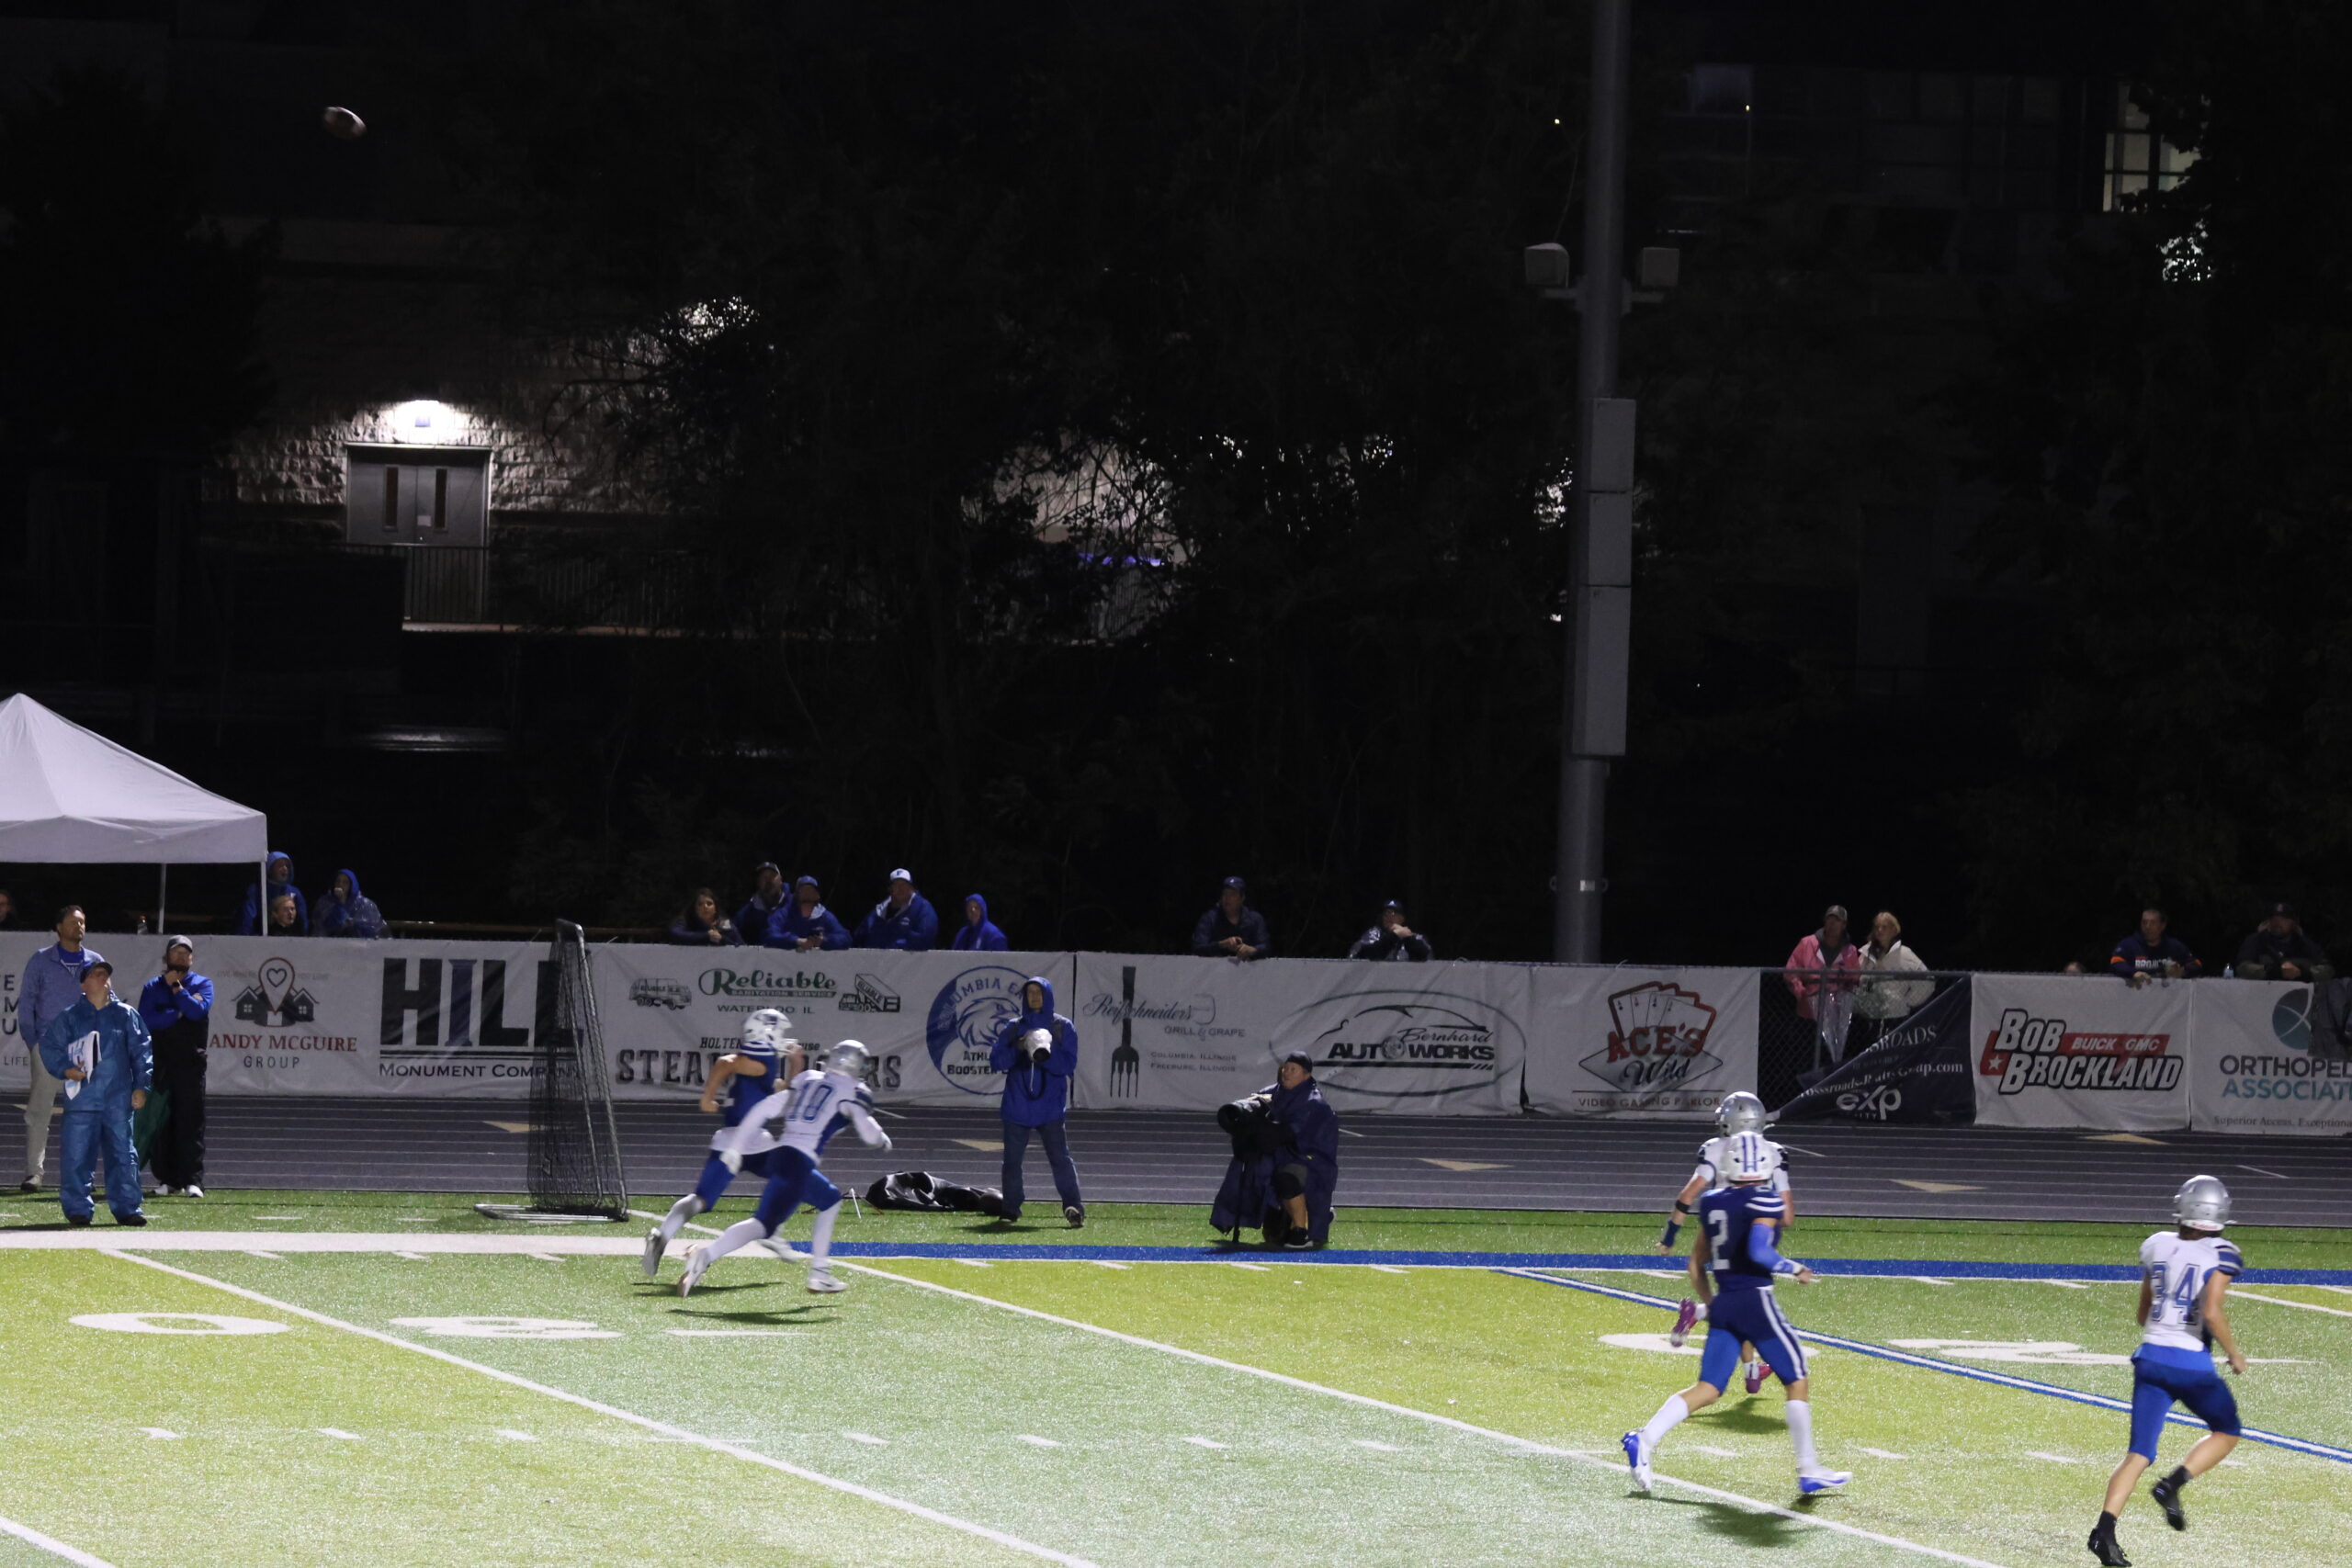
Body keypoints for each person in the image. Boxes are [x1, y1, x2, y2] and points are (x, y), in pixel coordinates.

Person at [1623, 1132, 1847, 1497]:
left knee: (1709, 1388)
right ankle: (1808, 1469)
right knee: (1797, 1379)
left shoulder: (1712, 1202)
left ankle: (1644, 1439)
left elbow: (1697, 1263)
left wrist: (1711, 1304)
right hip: (1756, 1300)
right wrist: (1794, 1268)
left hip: (1725, 1301)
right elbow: (1759, 1251)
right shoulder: (1766, 1200)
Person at [2086, 1175, 2247, 1567]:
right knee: (2227, 1430)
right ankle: (2172, 1485)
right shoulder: (2222, 1253)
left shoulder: (2157, 1244)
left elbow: (2143, 1313)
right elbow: (2211, 1311)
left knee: (2138, 1453)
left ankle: (2104, 1532)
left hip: (2151, 1358)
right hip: (2190, 1363)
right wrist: (2234, 1353)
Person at [682, 1039, 895, 1296]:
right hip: (797, 1161)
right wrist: (882, 1139)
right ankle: (705, 1255)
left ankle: (820, 1273)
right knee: (763, 1225)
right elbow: (869, 1133)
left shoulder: (809, 1079)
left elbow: (763, 1109)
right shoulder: (853, 1091)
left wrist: (736, 1148)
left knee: (830, 1200)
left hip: (780, 1154)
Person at [641, 1010, 803, 1276]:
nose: (783, 1037)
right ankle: (771, 1229)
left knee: (701, 1200)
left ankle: (662, 1235)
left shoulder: (762, 1060)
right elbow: (725, 1062)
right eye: (780, 1031)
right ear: (767, 1031)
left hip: (732, 1139)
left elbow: (782, 1092)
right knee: (794, 1176)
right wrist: (707, 1097)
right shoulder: (762, 1053)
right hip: (751, 1139)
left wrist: (796, 1064)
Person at [1657, 1091, 1792, 1398]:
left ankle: (1704, 1313)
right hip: (1756, 1225)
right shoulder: (1774, 1151)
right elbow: (1786, 1214)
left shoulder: (1715, 1148)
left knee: (1698, 1267)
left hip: (1719, 1220)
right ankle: (1750, 1370)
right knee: (1747, 1299)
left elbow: (1688, 1195)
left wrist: (1669, 1237)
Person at [37, 959, 152, 1227]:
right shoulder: (70, 1016)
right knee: (76, 1156)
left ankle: (128, 1208)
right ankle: (78, 1208)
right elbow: (49, 1046)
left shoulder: (126, 1015)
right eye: (96, 974)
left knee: (123, 1155)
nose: (103, 978)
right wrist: (66, 1069)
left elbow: (142, 1051)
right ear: (83, 984)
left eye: (106, 974)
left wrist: (141, 1086)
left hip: (118, 1099)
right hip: (82, 1099)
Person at [18, 906, 105, 1191]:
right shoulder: (41, 960)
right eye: (73, 922)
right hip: (49, 1046)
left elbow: (107, 999)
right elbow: (27, 1002)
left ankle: (80, 1176)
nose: (79, 926)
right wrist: (34, 1042)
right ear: (58, 927)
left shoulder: (95, 961)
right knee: (39, 1111)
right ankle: (34, 1173)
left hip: (83, 1049)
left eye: (83, 922)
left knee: (82, 1114)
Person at [989, 976, 1083, 1225]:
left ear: (1047, 995)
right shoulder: (1013, 1027)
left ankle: (1073, 1206)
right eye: (1030, 992)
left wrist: (1045, 1052)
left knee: (1060, 1160)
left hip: (1050, 1108)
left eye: (1039, 992)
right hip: (1017, 1106)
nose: (1034, 997)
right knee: (1011, 1163)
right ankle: (1010, 1209)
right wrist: (1020, 1047)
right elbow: (996, 1061)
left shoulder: (1062, 1027)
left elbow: (1067, 1065)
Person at [136, 937, 214, 1198]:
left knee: (191, 1122)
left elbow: (197, 1011)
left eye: (185, 953)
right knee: (162, 1123)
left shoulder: (203, 984)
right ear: (166, 957)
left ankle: (193, 1180)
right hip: (160, 1063)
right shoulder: (152, 987)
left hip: (190, 1065)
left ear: (192, 958)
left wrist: (177, 991)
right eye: (176, 952)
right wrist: (177, 1013)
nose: (181, 957)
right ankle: (168, 1179)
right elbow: (147, 1020)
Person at [1267, 1052, 1339, 1248]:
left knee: (1286, 1178)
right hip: (1287, 1155)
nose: (1287, 1073)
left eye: (1293, 1069)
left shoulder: (1313, 1102)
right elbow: (1257, 1100)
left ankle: (1301, 1232)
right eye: (1286, 1068)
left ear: (1306, 1075)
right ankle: (1314, 1215)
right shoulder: (1278, 1092)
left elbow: (1295, 1134)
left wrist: (1270, 1130)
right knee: (1260, 1170)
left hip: (1312, 1161)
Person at [1783, 905, 1861, 1065]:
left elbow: (1855, 979)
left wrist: (1844, 991)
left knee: (1833, 1062)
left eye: (1837, 920)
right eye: (1829, 919)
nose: (1832, 924)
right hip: (1809, 1015)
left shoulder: (1850, 950)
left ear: (1844, 925)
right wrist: (1802, 992)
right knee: (1803, 1060)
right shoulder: (1807, 943)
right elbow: (1791, 971)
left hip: (1837, 1018)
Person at [1852, 910, 1932, 1041]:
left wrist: (1907, 1001)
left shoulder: (1904, 954)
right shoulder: (1866, 954)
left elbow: (1927, 981)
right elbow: (1855, 979)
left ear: (1894, 930)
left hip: (1895, 1017)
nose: (1879, 930)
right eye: (1877, 927)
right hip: (1868, 1018)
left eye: (1884, 927)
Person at [2232, 902, 2331, 983]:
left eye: (2284, 920)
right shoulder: (2255, 941)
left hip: (2298, 995)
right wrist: (2273, 972)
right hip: (2261, 994)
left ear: (2293, 923)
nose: (2278, 923)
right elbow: (2242, 968)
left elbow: (2328, 970)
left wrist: (2302, 973)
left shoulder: (2306, 944)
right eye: (2274, 919)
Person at [2111, 908, 2202, 986]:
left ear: (2162, 925)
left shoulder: (2174, 946)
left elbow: (2196, 964)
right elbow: (2116, 962)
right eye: (2144, 922)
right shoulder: (2128, 944)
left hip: (2167, 997)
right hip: (2135, 994)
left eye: (2152, 923)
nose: (2147, 927)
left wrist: (2182, 971)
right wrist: (2133, 973)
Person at [854, 869, 938, 951]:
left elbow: (925, 939)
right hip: (874, 959)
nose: (901, 888)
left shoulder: (922, 908)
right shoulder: (878, 912)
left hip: (908, 959)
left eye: (904, 885)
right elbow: (859, 937)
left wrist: (894, 948)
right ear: (890, 889)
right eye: (896, 885)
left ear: (911, 888)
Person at [1192, 875, 1272, 959]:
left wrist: (1253, 950)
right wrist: (1222, 944)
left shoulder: (1255, 919)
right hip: (1215, 966)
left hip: (1248, 966)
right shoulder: (1209, 918)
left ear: (1242, 898)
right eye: (1225, 894)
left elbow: (1266, 946)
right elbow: (1198, 947)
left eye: (1232, 895)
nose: (1227, 898)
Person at [769, 874, 851, 951]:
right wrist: (796, 941)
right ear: (796, 895)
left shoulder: (825, 916)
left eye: (811, 891)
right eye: (804, 891)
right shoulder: (783, 915)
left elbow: (845, 938)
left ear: (817, 896)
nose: (807, 895)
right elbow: (770, 935)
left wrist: (824, 940)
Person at [236, 851, 307, 935]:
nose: (285, 868)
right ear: (269, 869)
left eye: (287, 866)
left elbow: (303, 921)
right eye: (280, 865)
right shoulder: (256, 890)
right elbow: (247, 918)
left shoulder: (295, 892)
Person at [311, 869, 386, 940]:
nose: (340, 884)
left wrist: (351, 925)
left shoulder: (364, 904)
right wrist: (340, 903)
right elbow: (324, 927)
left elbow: (370, 929)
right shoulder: (325, 902)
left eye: (345, 882)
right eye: (338, 881)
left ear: (352, 885)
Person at [1347, 899, 1431, 961]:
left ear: (1402, 918)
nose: (1388, 916)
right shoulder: (1374, 933)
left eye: (1393, 913)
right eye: (1386, 913)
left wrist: (1408, 938)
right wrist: (1394, 935)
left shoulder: (1413, 937)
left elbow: (1424, 956)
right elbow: (1371, 954)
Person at [733, 863, 788, 953]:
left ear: (780, 879)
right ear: (758, 882)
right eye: (764, 877)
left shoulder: (795, 907)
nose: (768, 880)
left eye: (772, 876)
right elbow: (732, 939)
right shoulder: (745, 915)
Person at [668, 887, 742, 946]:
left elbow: (741, 947)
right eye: (700, 904)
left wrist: (722, 939)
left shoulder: (725, 925)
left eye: (709, 904)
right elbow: (675, 934)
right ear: (695, 909)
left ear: (715, 909)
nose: (705, 907)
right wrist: (706, 936)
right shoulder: (687, 921)